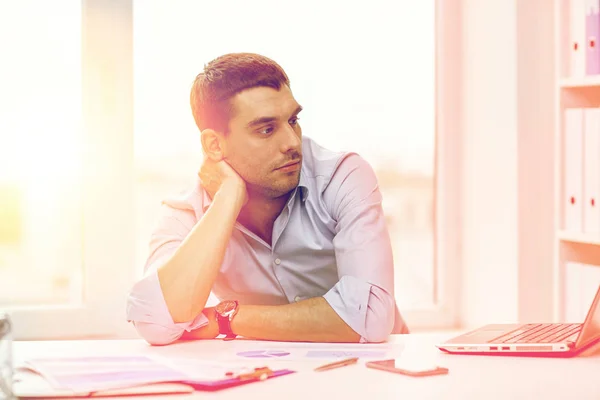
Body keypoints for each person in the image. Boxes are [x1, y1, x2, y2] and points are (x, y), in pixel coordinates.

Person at [126, 52, 408, 345]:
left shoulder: (343, 176)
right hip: (272, 375)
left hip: (376, 371)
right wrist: (228, 198)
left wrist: (227, 319)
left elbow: (371, 318)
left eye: (293, 120)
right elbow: (154, 322)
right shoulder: (187, 209)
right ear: (214, 145)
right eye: (266, 129)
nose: (291, 142)